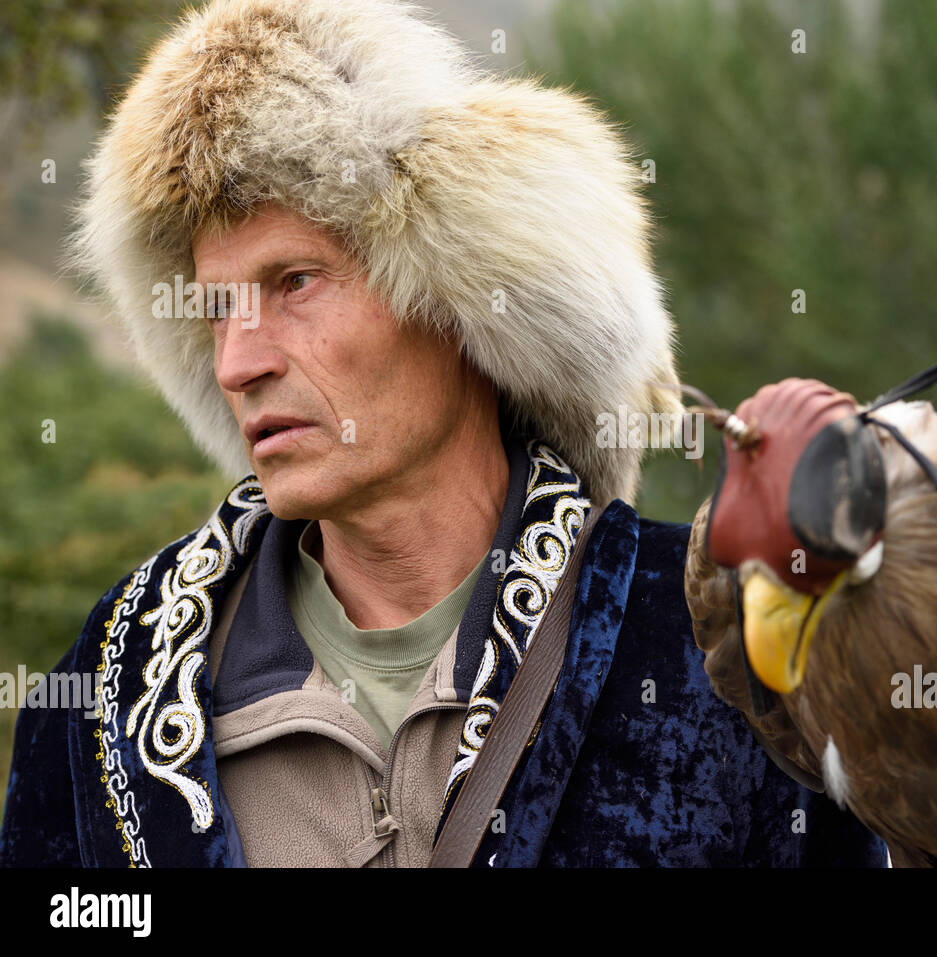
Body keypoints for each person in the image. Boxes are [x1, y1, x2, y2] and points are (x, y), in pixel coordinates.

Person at [0, 0, 887, 868]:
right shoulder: (102, 704)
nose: (237, 362)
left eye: (296, 281)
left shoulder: (719, 654)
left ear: (456, 299)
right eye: (216, 308)